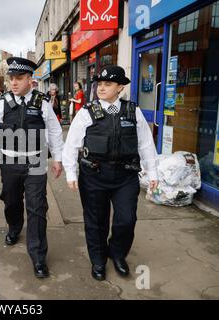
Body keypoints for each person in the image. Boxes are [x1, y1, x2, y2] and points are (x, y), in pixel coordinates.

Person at [62, 65, 159, 281]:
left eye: (108, 84)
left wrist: (153, 171)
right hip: (94, 175)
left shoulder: (133, 111)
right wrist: (70, 172)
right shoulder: (87, 112)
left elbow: (145, 143)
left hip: (125, 176)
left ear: (120, 88)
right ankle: (98, 259)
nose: (101, 88)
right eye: (100, 84)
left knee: (126, 219)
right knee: (96, 221)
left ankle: (117, 254)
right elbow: (71, 144)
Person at [0, 57, 64, 278]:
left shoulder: (43, 103)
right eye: (11, 79)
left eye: (19, 78)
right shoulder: (1, 103)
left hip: (36, 162)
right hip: (9, 162)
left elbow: (55, 132)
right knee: (11, 201)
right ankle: (14, 227)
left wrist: (58, 158)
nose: (14, 83)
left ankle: (38, 257)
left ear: (30, 79)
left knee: (37, 208)